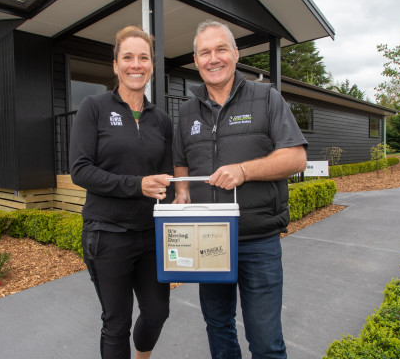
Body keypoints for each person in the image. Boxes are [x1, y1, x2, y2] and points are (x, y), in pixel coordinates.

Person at [173, 20, 308, 359]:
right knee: (218, 326)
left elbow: (296, 157)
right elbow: (181, 161)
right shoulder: (187, 111)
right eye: (205, 52)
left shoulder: (266, 99)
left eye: (221, 49)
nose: (213, 58)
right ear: (195, 58)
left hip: (258, 242)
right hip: (209, 239)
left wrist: (244, 171)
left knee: (265, 341)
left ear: (235, 53)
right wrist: (182, 193)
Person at [69, 25, 173, 359]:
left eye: (143, 58)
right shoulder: (94, 107)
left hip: (151, 236)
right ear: (115, 64)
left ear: (152, 66)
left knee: (157, 312)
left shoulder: (162, 120)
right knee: (116, 323)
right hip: (107, 233)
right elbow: (80, 170)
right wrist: (136, 185)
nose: (136, 64)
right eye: (127, 57)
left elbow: (169, 178)